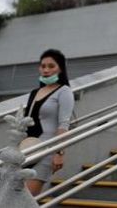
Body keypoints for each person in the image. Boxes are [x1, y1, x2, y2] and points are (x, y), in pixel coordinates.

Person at [24, 49, 74, 196]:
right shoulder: (35, 92)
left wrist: (60, 153)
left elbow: (63, 125)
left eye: (51, 66)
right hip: (27, 150)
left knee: (27, 199)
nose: (46, 70)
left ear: (60, 68)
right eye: (43, 66)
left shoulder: (64, 91)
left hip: (46, 151)